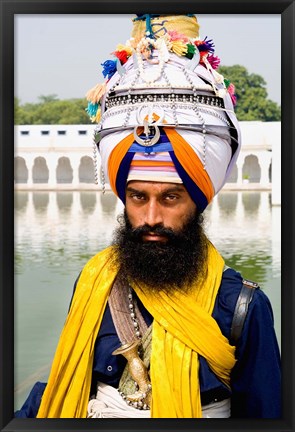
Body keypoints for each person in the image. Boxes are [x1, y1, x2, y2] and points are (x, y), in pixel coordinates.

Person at [15, 13, 281, 419]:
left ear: (198, 200)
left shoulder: (242, 307)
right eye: (138, 197)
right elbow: (68, 388)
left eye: (171, 197)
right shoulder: (95, 284)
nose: (151, 216)